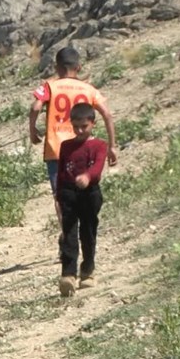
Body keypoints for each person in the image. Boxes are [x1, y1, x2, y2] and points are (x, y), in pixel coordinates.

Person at [29, 46, 116, 227]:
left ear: (57, 68)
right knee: (83, 188)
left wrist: (33, 130)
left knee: (60, 195)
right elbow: (107, 115)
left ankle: (68, 233)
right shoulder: (88, 89)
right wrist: (112, 146)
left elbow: (36, 107)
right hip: (83, 147)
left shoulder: (50, 86)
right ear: (79, 67)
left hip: (56, 149)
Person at [56, 103, 108, 298]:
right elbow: (61, 172)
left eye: (83, 126)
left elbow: (97, 167)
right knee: (68, 232)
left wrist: (87, 177)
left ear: (92, 123)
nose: (79, 130)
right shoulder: (66, 146)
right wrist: (58, 195)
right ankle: (68, 274)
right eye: (75, 126)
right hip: (68, 193)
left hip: (90, 193)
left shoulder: (99, 145)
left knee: (88, 231)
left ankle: (87, 270)